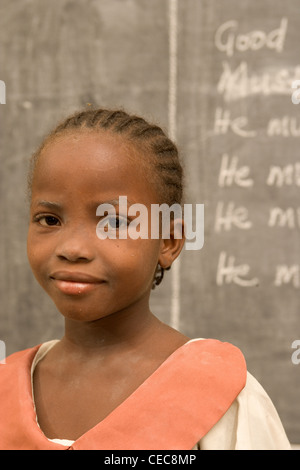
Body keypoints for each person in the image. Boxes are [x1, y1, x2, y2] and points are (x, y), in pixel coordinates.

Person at [0, 108, 291, 450]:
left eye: (114, 223)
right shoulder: (7, 387)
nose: (72, 248)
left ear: (167, 242)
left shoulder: (220, 394)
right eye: (49, 220)